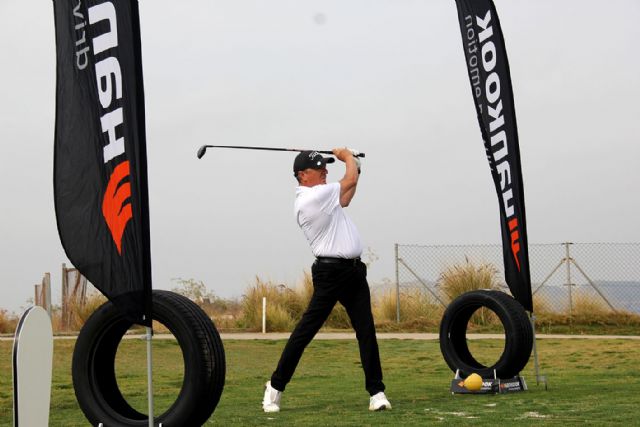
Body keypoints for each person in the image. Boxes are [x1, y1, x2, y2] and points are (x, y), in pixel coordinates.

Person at [262, 148, 391, 413]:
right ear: (302, 175)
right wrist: (346, 157)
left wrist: (355, 166)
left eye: (325, 168)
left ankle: (376, 392)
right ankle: (274, 387)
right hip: (329, 274)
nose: (324, 172)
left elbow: (345, 199)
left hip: (354, 272)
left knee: (366, 331)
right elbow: (349, 181)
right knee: (306, 332)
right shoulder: (310, 197)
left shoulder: (324, 196)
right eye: (319, 169)